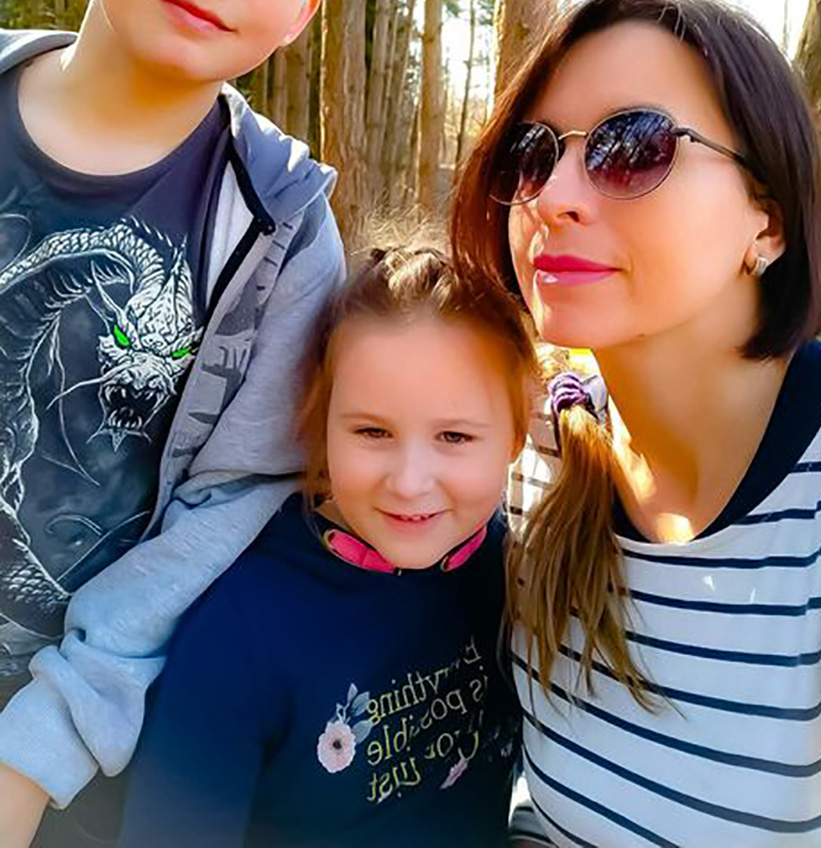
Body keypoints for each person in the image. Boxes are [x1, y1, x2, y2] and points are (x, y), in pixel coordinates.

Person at [0, 0, 394, 848]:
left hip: (49, 751)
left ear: (302, 9)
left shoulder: (281, 231)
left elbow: (223, 509)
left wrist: (34, 754)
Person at [451, 0, 821, 846]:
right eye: (533, 155)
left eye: (633, 146)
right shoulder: (537, 464)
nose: (552, 196)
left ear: (768, 221)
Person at [116, 245, 532, 848]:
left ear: (516, 435)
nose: (410, 482)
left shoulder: (510, 570)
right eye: (373, 431)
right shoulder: (243, 629)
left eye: (454, 436)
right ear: (318, 423)